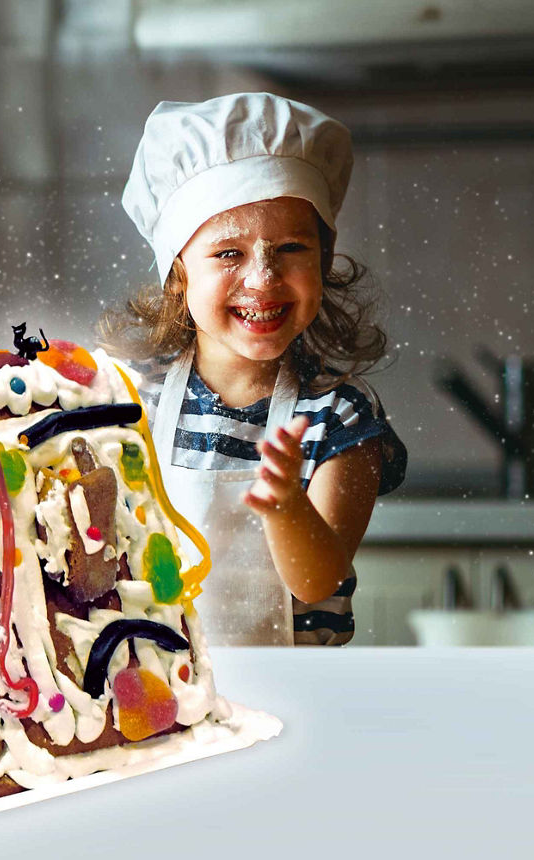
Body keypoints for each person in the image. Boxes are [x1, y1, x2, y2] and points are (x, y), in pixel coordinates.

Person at [101, 93, 407, 645]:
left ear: (324, 260)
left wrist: (286, 505)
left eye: (291, 247)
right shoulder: (126, 398)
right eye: (227, 254)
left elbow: (317, 582)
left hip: (306, 700)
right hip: (165, 699)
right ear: (178, 273)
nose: (263, 278)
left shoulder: (338, 413)